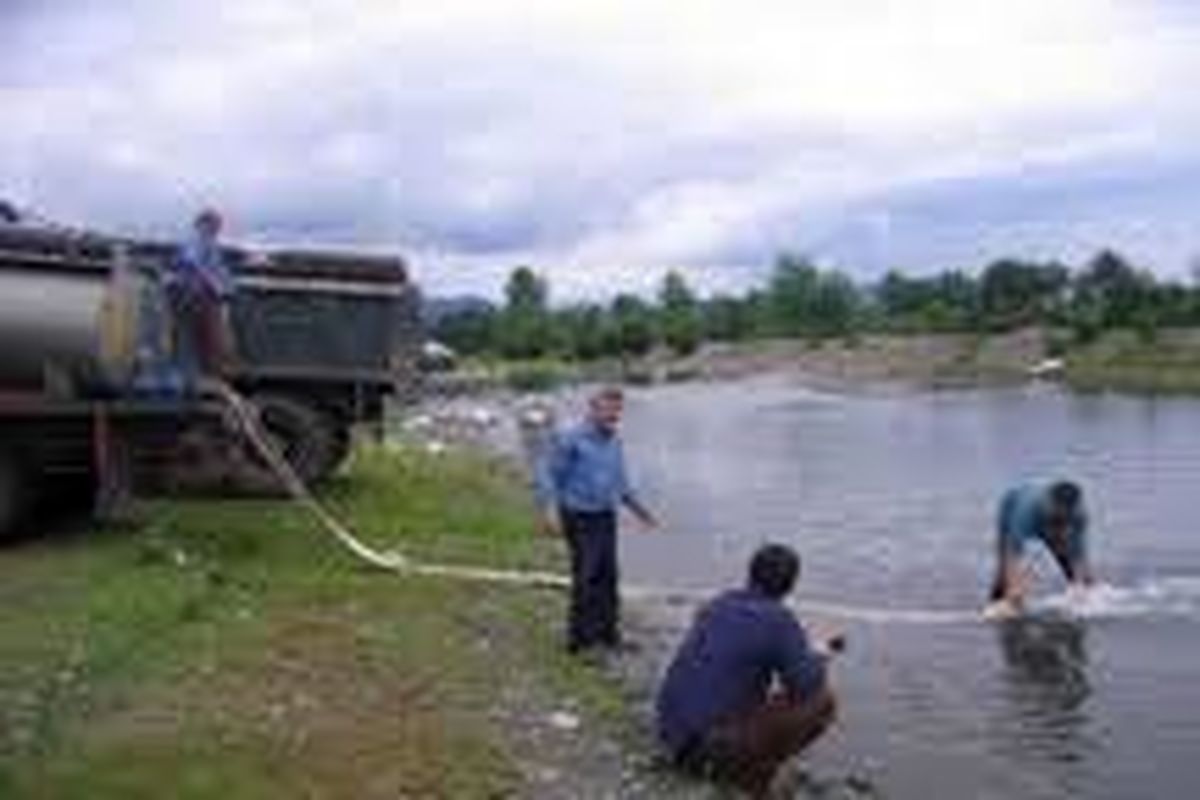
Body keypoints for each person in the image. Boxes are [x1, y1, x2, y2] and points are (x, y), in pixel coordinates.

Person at [656, 544, 840, 798]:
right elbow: (805, 685)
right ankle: (753, 771)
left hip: (669, 733)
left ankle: (732, 757)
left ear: (750, 573)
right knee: (822, 701)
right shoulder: (778, 619)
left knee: (748, 687)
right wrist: (819, 657)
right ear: (790, 585)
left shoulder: (718, 603)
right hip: (705, 751)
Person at [534, 386, 659, 655]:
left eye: (617, 411)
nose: (613, 415)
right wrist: (549, 512)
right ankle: (579, 643)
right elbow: (547, 473)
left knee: (609, 577)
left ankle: (608, 635)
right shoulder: (570, 438)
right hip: (578, 516)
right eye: (607, 409)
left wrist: (641, 512)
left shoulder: (614, 441)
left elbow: (620, 483)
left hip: (605, 515)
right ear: (593, 409)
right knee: (586, 578)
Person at [987, 480, 1095, 614]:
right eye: (1058, 519)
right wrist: (1014, 589)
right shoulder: (1026, 511)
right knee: (1003, 575)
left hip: (1046, 515)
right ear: (1050, 504)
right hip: (1012, 506)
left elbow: (1079, 554)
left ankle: (1076, 592)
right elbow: (1012, 553)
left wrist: (1085, 586)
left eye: (1066, 518)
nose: (1062, 532)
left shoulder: (1080, 514)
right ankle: (995, 602)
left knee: (1076, 572)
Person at [167, 208, 236, 385]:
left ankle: (207, 374)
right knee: (206, 337)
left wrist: (227, 286)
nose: (217, 229)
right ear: (203, 224)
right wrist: (216, 285)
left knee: (209, 339)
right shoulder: (197, 240)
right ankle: (203, 376)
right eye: (214, 225)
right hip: (195, 296)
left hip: (202, 296)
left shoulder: (210, 243)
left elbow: (219, 269)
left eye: (217, 226)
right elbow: (193, 262)